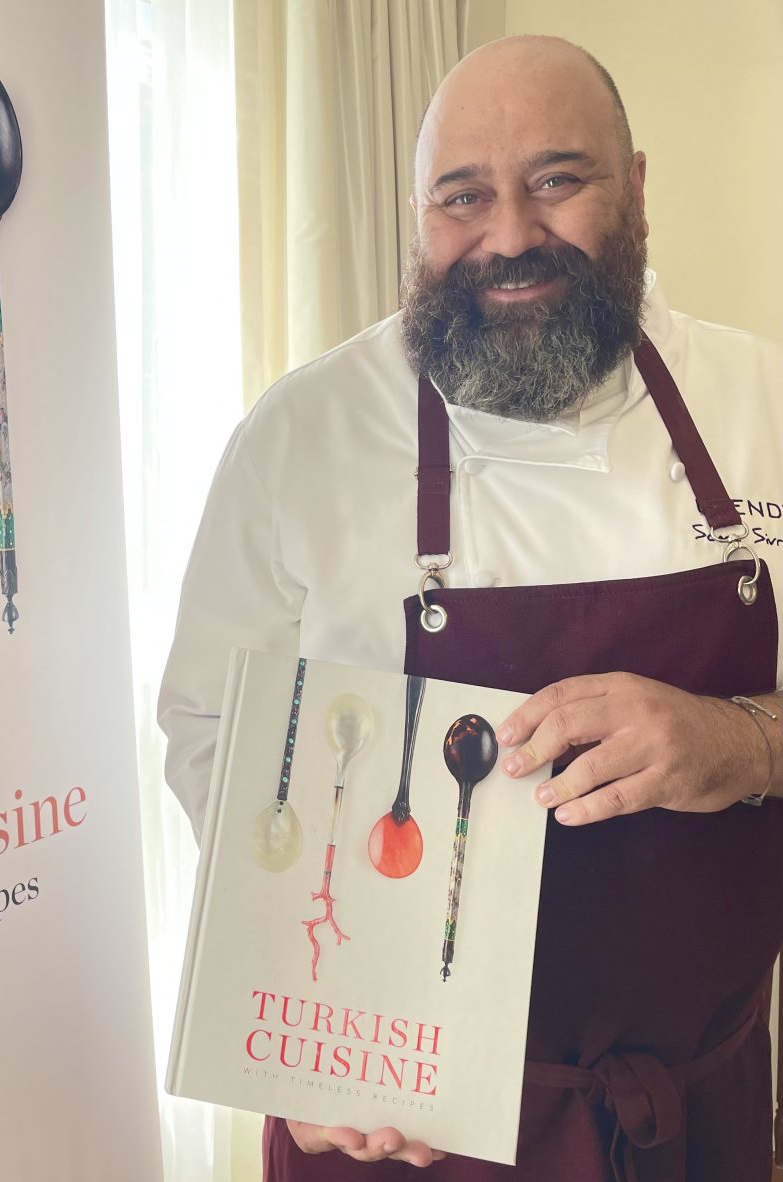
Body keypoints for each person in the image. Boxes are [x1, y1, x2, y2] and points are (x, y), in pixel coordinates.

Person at [158, 34, 783, 1182]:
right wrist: (302, 1028)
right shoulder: (301, 441)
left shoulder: (762, 400)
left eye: (558, 179)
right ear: (417, 213)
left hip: (694, 1115)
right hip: (399, 1124)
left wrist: (740, 743)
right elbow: (211, 735)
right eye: (463, 196)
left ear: (636, 186)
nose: (508, 237)